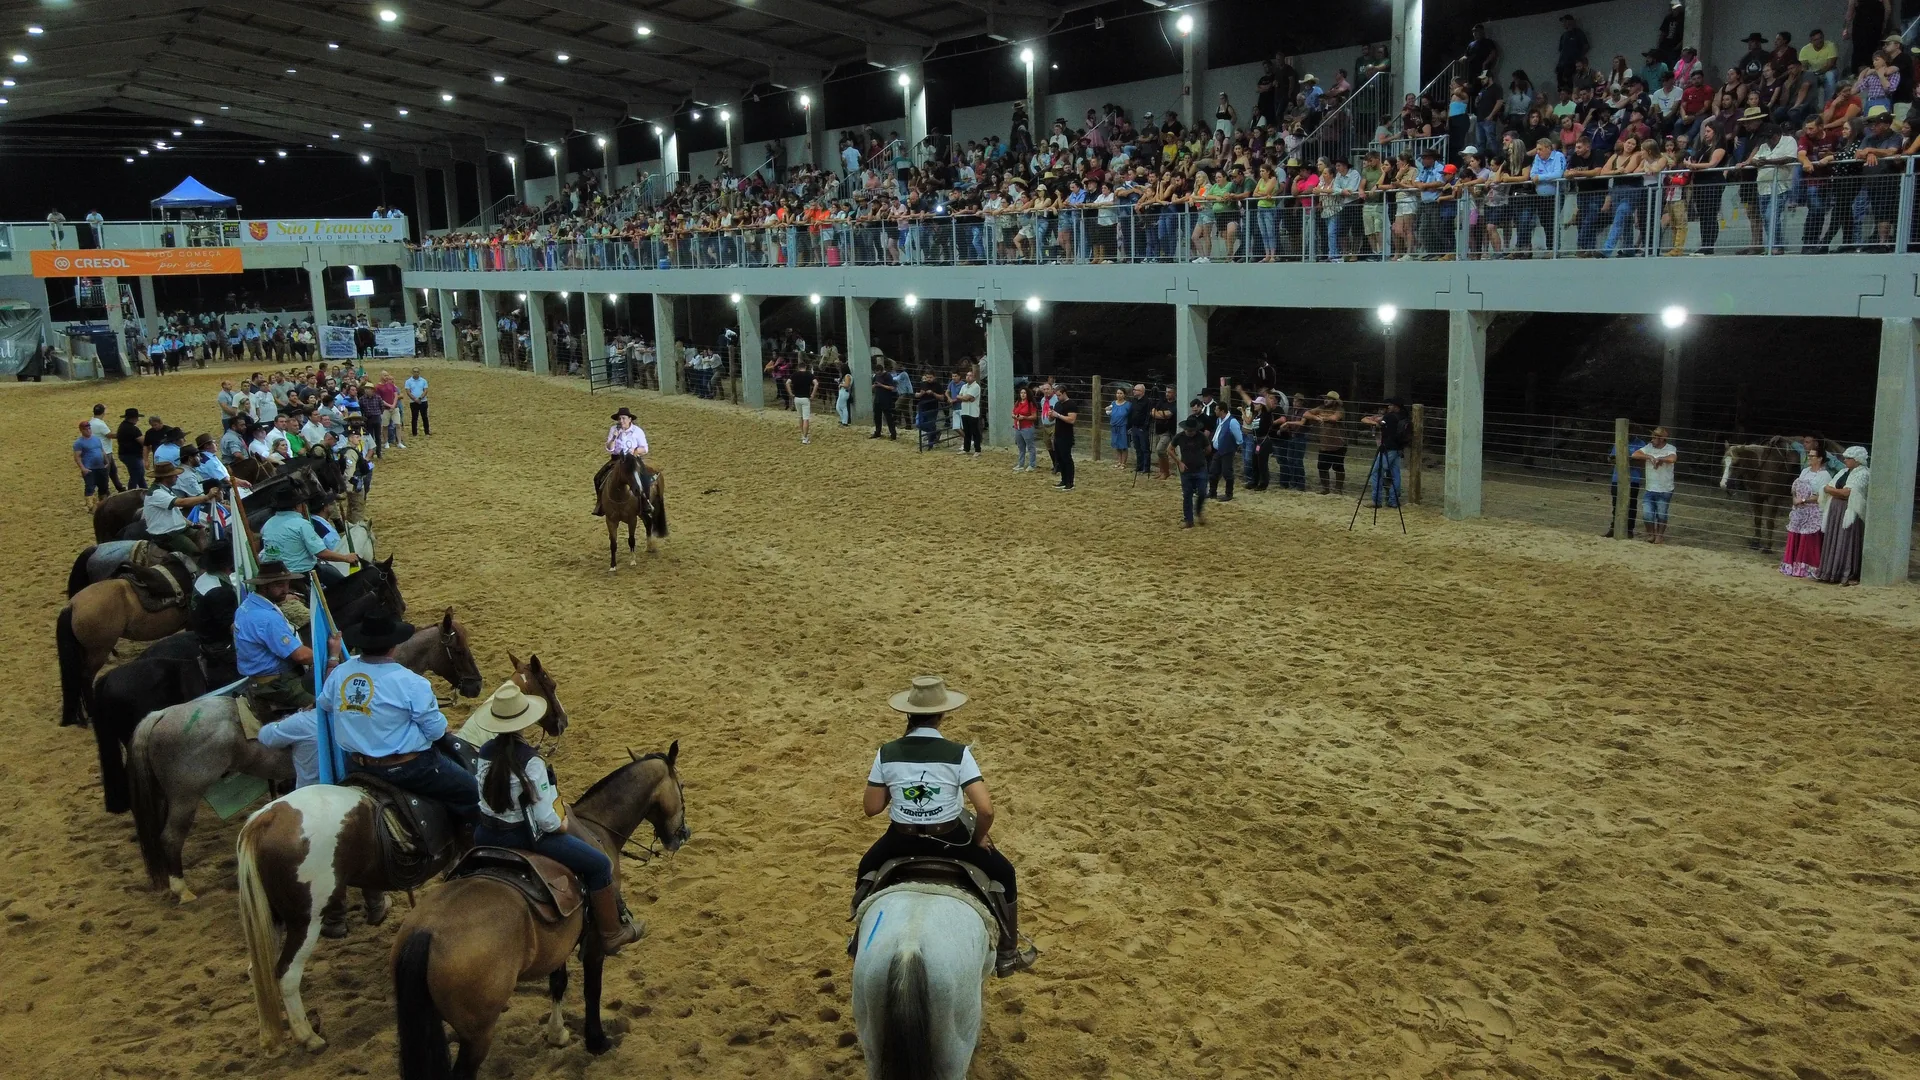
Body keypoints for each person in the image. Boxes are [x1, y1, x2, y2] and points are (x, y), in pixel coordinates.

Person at [855, 676, 1036, 976]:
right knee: (1005, 873)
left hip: (900, 840)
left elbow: (871, 808)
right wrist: (978, 838)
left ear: (908, 713)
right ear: (942, 715)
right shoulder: (958, 753)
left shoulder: (887, 752)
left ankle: (857, 943)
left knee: (866, 869)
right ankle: (1008, 953)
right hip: (951, 839)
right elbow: (986, 810)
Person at [467, 681, 645, 954]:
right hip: (523, 836)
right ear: (525, 721)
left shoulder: (485, 752)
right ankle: (612, 933)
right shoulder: (532, 762)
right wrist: (561, 824)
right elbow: (546, 820)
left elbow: (484, 799)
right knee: (599, 865)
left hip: (485, 834)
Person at [321, 610, 482, 822]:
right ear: (394, 646)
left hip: (357, 765)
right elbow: (435, 732)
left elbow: (326, 703)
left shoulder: (342, 672)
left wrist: (333, 660)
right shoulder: (412, 682)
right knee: (474, 792)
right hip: (408, 769)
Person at [235, 560, 341, 718]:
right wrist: (332, 654)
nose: (286, 589)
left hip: (259, 675)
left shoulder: (247, 605)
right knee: (330, 705)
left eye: (287, 584)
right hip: (277, 683)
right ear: (264, 586)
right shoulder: (267, 618)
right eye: (280, 585)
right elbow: (301, 656)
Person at [260, 487, 360, 583]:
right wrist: (346, 558)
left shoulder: (267, 524)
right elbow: (321, 553)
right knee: (344, 583)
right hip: (302, 573)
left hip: (275, 573)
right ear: (297, 506)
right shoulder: (301, 524)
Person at [1815, 446, 1870, 584]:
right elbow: (1827, 486)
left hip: (1849, 511)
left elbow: (1848, 493)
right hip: (1835, 510)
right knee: (1833, 539)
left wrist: (1833, 491)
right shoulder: (1843, 472)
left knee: (1845, 540)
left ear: (1857, 460)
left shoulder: (1863, 474)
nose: (1845, 460)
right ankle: (1829, 572)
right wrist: (1835, 491)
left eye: (1848, 458)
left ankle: (1845, 573)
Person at [592, 406, 653, 516]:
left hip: (633, 459)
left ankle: (645, 502)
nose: (621, 421)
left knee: (644, 478)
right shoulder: (613, 430)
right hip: (616, 459)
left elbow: (645, 448)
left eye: (624, 418)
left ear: (630, 419)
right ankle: (600, 503)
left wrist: (635, 450)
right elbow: (609, 448)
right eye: (619, 419)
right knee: (598, 477)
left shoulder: (637, 431)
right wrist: (614, 438)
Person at [142, 462, 214, 556]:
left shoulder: (165, 490)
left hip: (180, 529)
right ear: (166, 477)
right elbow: (181, 502)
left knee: (203, 536)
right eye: (174, 475)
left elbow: (175, 512)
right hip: (168, 534)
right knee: (195, 553)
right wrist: (206, 497)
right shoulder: (156, 493)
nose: (177, 477)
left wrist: (191, 524)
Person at [1783, 450, 1834, 577]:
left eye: (1812, 456)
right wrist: (1795, 499)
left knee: (1809, 539)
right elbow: (1796, 489)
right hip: (1799, 510)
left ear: (1820, 458)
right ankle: (1793, 566)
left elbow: (1821, 496)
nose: (1809, 458)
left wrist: (1803, 500)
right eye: (1808, 455)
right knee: (1796, 536)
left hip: (1813, 511)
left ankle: (1807, 568)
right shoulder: (1805, 471)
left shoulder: (1824, 475)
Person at [1630, 427, 1678, 544]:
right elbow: (1635, 454)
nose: (1652, 440)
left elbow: (1673, 458)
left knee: (1661, 514)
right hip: (1650, 487)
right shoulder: (1648, 448)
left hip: (1664, 488)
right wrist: (1650, 456)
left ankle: (1659, 535)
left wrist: (1661, 459)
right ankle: (1651, 534)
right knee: (1647, 514)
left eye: (1655, 438)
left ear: (1661, 439)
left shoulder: (1670, 448)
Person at [1360, 398, 1411, 508]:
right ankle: (1393, 500)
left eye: (1391, 405)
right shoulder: (1404, 416)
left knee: (1376, 472)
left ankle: (1376, 500)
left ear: (1396, 406)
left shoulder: (1389, 417)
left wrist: (1376, 422)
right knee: (1395, 475)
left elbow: (1379, 424)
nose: (1388, 407)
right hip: (1398, 448)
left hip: (1388, 448)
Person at [1604, 432, 1648, 538]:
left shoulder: (1641, 444)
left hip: (1633, 478)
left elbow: (1643, 462)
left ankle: (1629, 529)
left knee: (1631, 504)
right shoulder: (1619, 441)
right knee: (1616, 503)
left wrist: (1625, 460)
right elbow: (1611, 458)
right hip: (1617, 478)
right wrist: (1613, 459)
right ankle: (1614, 527)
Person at [1172, 415, 1211, 527]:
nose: (1190, 433)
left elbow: (1208, 449)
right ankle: (1188, 519)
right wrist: (1179, 462)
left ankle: (1198, 511)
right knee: (1187, 494)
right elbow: (1170, 449)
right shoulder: (1179, 437)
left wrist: (1200, 457)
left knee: (1202, 492)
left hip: (1200, 468)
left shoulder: (1202, 436)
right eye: (1189, 430)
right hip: (1186, 470)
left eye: (1192, 431)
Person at [1304, 392, 1347, 494]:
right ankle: (1325, 488)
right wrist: (1316, 417)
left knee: (1338, 467)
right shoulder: (1321, 408)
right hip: (1324, 444)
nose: (1326, 400)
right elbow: (1306, 414)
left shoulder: (1339, 410)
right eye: (1325, 398)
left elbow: (1334, 418)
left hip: (1338, 444)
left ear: (1335, 401)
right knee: (1322, 466)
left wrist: (1321, 417)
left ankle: (1338, 489)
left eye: (1329, 399)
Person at [73, 420, 112, 511]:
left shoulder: (96, 439)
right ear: (81, 430)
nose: (88, 430)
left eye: (89, 428)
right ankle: (90, 507)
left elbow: (102, 451)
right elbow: (77, 457)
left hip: (100, 467)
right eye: (85, 429)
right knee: (90, 487)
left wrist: (106, 461)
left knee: (104, 486)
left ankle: (103, 505)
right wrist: (83, 468)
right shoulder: (79, 443)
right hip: (89, 468)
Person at [1208, 402, 1240, 501]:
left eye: (1216, 409)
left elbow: (1239, 438)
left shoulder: (1232, 422)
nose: (1215, 411)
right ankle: (1212, 492)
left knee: (1227, 472)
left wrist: (1233, 447)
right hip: (1219, 450)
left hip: (1227, 451)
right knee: (1213, 471)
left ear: (1222, 411)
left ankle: (1229, 494)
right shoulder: (1219, 420)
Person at [1049, 387, 1078, 491]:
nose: (1058, 397)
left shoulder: (1071, 404)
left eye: (1059, 395)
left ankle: (1070, 482)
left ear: (1064, 393)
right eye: (1056, 395)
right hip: (1058, 434)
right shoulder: (1057, 404)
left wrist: (1058, 415)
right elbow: (1052, 419)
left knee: (1067, 459)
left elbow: (1071, 420)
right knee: (1060, 459)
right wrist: (1051, 415)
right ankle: (1064, 480)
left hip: (1066, 435)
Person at [787, 357, 816, 444]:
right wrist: (813, 394)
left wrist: (790, 393)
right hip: (805, 398)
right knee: (806, 418)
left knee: (800, 417)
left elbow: (787, 383)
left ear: (798, 367)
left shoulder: (794, 374)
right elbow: (816, 383)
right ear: (805, 367)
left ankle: (802, 434)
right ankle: (805, 438)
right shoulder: (809, 374)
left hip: (797, 398)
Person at [1010, 385, 1039, 471]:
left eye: (1024, 393)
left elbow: (1034, 416)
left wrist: (1024, 417)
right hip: (1018, 427)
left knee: (1030, 446)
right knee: (1021, 447)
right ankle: (1021, 464)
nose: (1022, 394)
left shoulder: (1030, 404)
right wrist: (1014, 416)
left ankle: (1032, 464)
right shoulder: (1017, 403)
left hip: (1027, 427)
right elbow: (1013, 412)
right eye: (1021, 393)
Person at [869, 358, 899, 440]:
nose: (877, 374)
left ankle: (893, 434)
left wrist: (881, 385)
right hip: (877, 398)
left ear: (881, 370)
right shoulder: (876, 376)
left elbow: (892, 387)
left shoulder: (888, 376)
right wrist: (874, 386)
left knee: (888, 417)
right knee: (877, 416)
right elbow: (872, 386)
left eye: (878, 372)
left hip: (886, 399)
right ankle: (877, 432)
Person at [957, 368, 983, 456]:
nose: (968, 377)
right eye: (967, 375)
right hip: (964, 411)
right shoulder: (964, 386)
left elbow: (965, 397)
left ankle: (977, 450)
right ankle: (966, 448)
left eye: (970, 376)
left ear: (974, 378)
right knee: (967, 431)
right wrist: (965, 398)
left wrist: (964, 398)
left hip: (973, 412)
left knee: (975, 431)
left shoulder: (976, 386)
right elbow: (959, 396)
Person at [403, 367, 429, 438]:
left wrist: (420, 398)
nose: (416, 373)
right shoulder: (408, 381)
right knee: (414, 417)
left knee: (424, 417)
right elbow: (408, 392)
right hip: (413, 402)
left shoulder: (423, 380)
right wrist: (415, 399)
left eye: (417, 372)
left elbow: (425, 390)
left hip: (423, 401)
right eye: (414, 372)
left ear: (419, 372)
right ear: (412, 372)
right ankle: (414, 433)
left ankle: (427, 432)